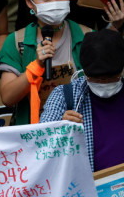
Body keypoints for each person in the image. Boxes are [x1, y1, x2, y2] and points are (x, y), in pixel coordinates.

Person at [0, 0, 123, 125]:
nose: (55, 3)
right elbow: (8, 98)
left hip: (82, 128)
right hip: (34, 134)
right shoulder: (16, 41)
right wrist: (36, 66)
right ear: (29, 2)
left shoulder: (86, 36)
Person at [41, 29, 124, 173]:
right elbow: (41, 145)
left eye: (111, 78)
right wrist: (60, 128)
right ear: (84, 72)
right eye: (96, 79)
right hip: (85, 189)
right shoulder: (64, 96)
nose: (103, 83)